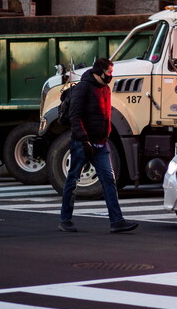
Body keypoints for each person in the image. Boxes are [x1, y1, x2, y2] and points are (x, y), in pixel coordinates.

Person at [59, 58, 138, 233]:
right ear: (100, 72)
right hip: (82, 143)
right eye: (109, 72)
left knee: (109, 181)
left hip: (101, 144)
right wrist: (84, 139)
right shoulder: (83, 88)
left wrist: (106, 134)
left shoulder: (105, 89)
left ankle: (117, 221)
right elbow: (75, 116)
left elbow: (105, 114)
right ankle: (65, 220)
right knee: (73, 180)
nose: (111, 75)